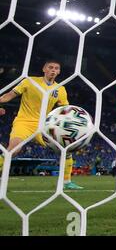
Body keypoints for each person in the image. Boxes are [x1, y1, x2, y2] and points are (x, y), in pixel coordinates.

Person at [0, 60, 83, 190]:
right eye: (50, 67)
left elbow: (64, 110)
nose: (53, 70)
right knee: (13, 150)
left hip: (43, 126)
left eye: (56, 68)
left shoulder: (60, 89)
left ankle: (67, 182)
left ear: (59, 71)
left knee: (65, 148)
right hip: (24, 122)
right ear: (44, 69)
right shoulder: (29, 81)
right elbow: (9, 95)